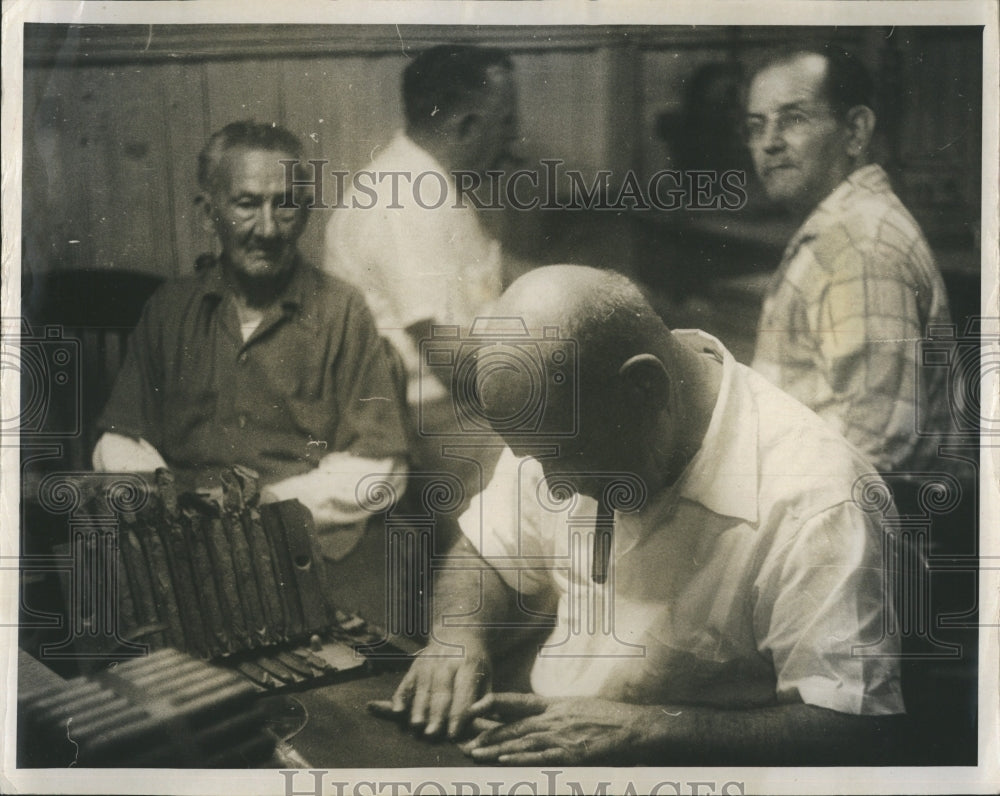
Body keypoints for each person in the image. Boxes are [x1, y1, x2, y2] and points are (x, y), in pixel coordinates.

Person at [373, 265, 905, 766]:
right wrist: (456, 635)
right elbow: (485, 551)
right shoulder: (565, 417)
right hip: (564, 748)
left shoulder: (818, 500)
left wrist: (652, 728)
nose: (552, 486)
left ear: (644, 389)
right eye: (535, 458)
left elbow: (853, 723)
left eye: (567, 459)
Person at [93, 121, 409, 539]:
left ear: (306, 211)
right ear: (209, 214)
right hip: (182, 543)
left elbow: (380, 466)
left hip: (303, 541)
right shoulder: (170, 309)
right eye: (246, 204)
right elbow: (118, 442)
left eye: (285, 205)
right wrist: (171, 507)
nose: (267, 229)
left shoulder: (342, 311)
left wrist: (273, 506)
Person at [743, 44, 952, 477]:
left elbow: (873, 450)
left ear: (855, 131)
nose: (769, 144)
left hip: (855, 529)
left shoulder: (859, 244)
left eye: (793, 119)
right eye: (756, 126)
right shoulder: (842, 230)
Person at [322, 44, 520, 489]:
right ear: (468, 126)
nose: (514, 139)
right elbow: (451, 360)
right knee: (578, 461)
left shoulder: (433, 183)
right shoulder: (406, 199)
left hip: (461, 402)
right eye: (506, 122)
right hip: (422, 420)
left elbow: (495, 270)